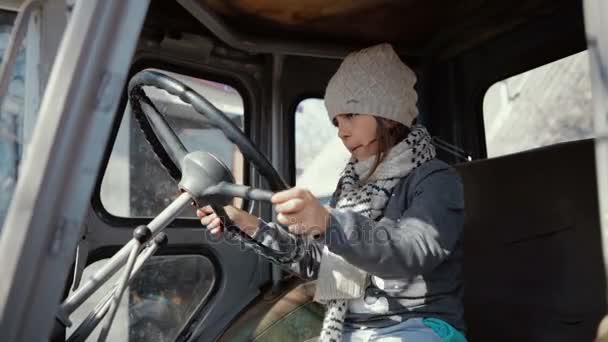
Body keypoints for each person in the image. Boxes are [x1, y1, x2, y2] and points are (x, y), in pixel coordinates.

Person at [197, 43, 466, 342]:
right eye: (336, 121)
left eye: (350, 114)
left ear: (389, 115)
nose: (341, 131)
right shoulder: (350, 187)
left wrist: (330, 223)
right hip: (354, 330)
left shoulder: (435, 180)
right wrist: (251, 227)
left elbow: (411, 251)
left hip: (419, 327)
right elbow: (321, 264)